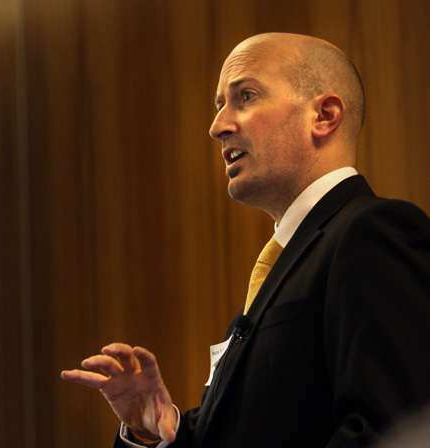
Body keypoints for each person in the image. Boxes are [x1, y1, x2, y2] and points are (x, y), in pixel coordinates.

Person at [60, 32, 430, 447]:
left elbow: (392, 431)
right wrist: (161, 429)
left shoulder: (373, 232)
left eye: (246, 96)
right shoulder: (289, 260)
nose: (218, 127)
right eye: (220, 105)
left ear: (324, 115)